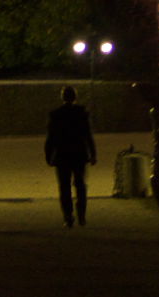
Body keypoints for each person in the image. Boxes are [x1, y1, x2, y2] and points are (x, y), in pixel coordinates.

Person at [44, 85, 96, 227]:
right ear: (75, 97)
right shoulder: (82, 113)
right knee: (80, 185)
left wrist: (48, 155)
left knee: (64, 186)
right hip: (79, 153)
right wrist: (93, 153)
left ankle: (68, 216)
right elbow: (88, 135)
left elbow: (51, 138)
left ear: (62, 97)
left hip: (62, 154)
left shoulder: (55, 114)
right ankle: (82, 215)